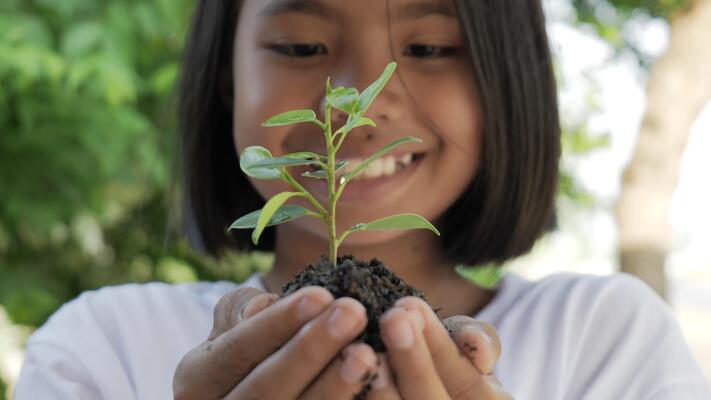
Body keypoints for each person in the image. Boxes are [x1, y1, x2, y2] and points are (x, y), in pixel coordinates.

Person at [14, 0, 711, 399]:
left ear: (505, 78)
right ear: (224, 75)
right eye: (299, 45)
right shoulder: (104, 348)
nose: (358, 106)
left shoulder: (601, 341)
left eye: (431, 48)